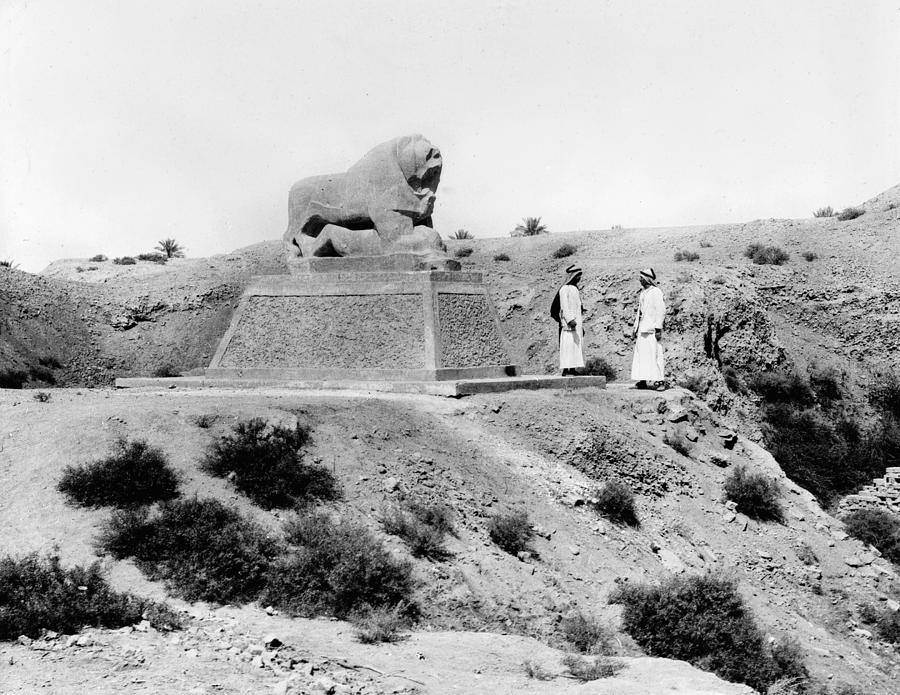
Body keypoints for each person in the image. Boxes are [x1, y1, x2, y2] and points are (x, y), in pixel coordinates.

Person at [631, 267, 666, 389]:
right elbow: (639, 313)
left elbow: (661, 311)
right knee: (642, 355)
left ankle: (660, 381)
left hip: (652, 329)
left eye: (641, 278)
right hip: (642, 329)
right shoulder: (643, 293)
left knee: (655, 355)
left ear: (647, 279)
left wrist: (658, 328)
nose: (640, 280)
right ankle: (643, 380)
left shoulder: (656, 292)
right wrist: (635, 328)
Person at [551, 264, 585, 376]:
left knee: (575, 346)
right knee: (567, 346)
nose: (579, 279)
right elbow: (564, 306)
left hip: (576, 324)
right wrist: (569, 320)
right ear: (573, 276)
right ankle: (566, 369)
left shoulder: (574, 289)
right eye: (578, 276)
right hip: (569, 324)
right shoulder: (564, 289)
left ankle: (573, 369)